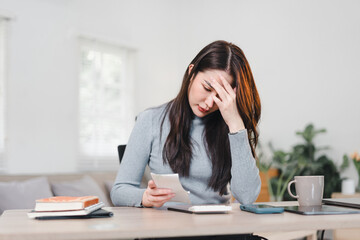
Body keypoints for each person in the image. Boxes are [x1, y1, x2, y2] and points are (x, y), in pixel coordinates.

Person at [111, 40, 261, 208]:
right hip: (169, 229)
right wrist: (145, 197)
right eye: (206, 87)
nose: (210, 102)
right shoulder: (151, 120)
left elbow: (247, 197)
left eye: (220, 95)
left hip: (218, 228)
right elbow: (119, 191)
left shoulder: (231, 126)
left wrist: (236, 124)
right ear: (191, 72)